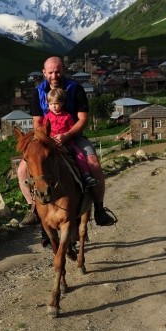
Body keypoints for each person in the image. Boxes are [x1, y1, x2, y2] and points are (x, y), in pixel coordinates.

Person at [19, 56, 116, 227]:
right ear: (44, 73)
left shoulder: (75, 88)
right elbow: (37, 122)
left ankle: (100, 209)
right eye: (50, 72)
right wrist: (45, 139)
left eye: (57, 71)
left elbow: (83, 119)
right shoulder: (38, 92)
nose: (54, 76)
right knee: (22, 171)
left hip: (72, 134)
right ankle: (33, 208)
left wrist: (66, 135)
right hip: (46, 137)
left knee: (93, 162)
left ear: (63, 71)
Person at [43, 87, 97, 188]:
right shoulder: (47, 117)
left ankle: (86, 176)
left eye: (56, 104)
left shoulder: (67, 116)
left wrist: (66, 137)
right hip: (52, 143)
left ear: (62, 103)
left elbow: (72, 130)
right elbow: (44, 130)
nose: (53, 107)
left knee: (79, 155)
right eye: (51, 104)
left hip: (67, 142)